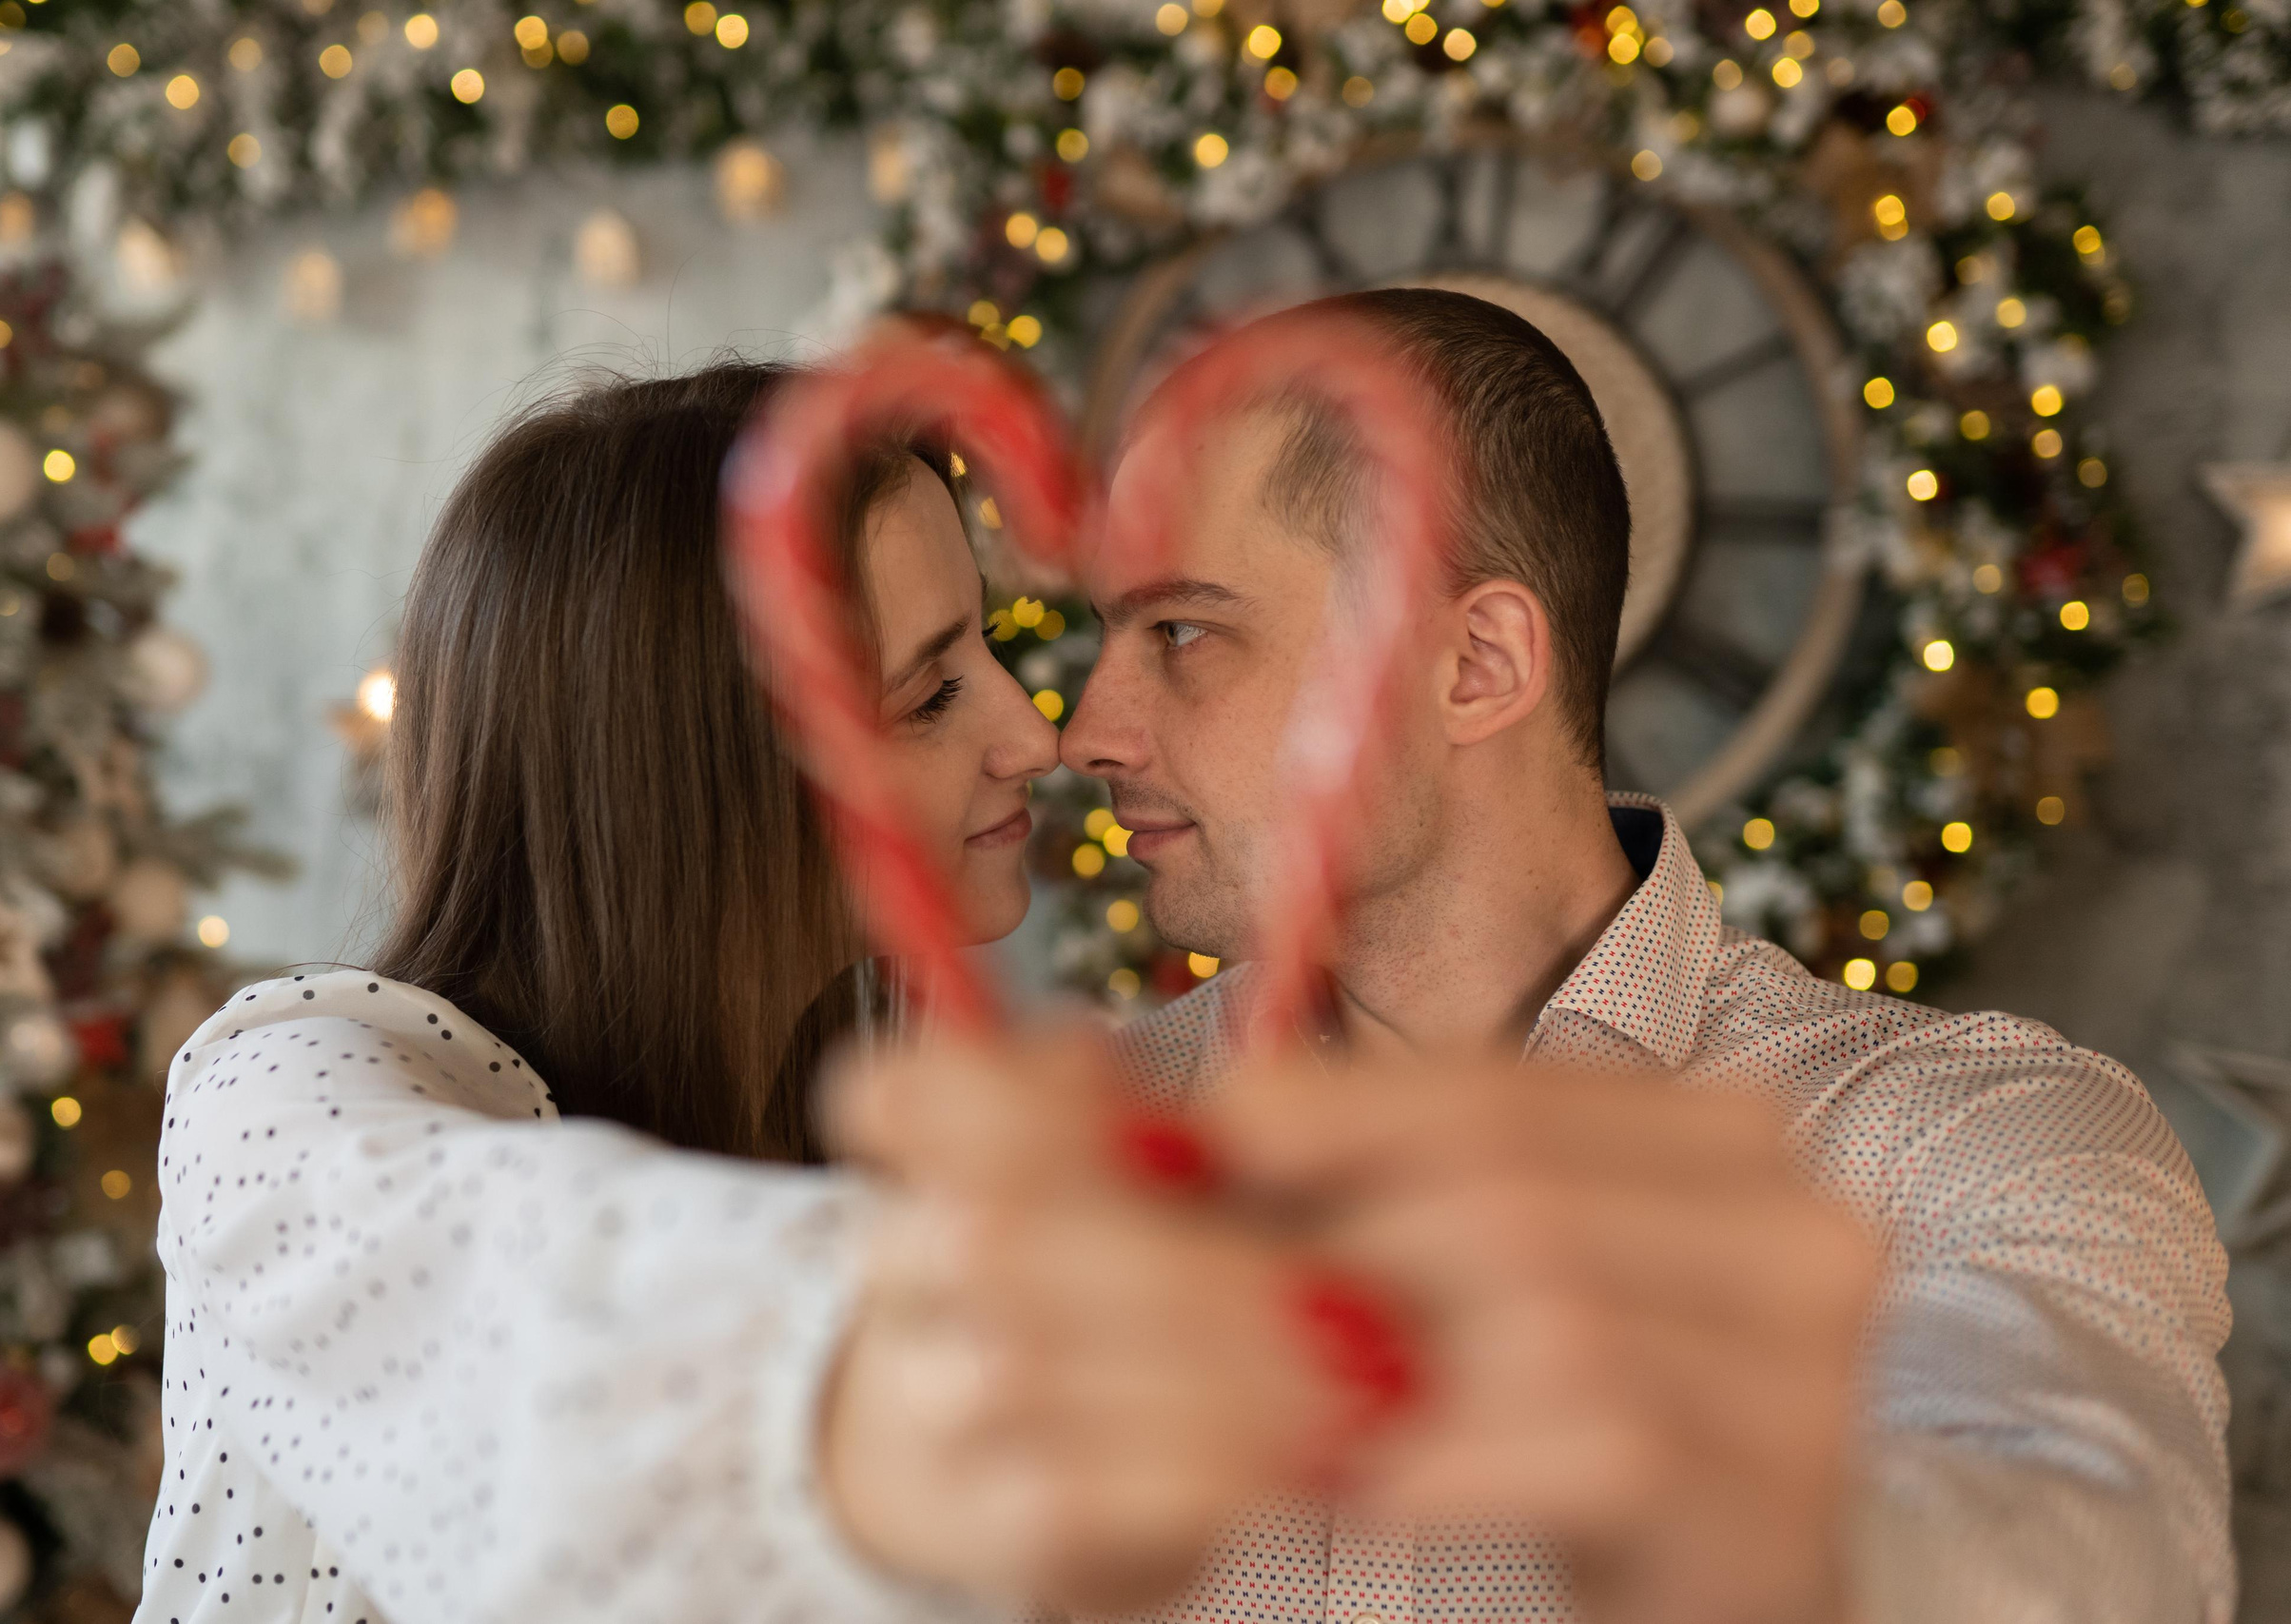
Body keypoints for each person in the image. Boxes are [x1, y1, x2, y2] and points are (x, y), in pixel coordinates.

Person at [825, 289, 2234, 1624]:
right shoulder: (1063, 1170)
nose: (1088, 732)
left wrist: (1806, 1559)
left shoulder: (1972, 1144)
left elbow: (2097, 1533)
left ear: (1477, 663)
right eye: (1102, 638)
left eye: (1185, 632)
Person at [131, 362, 1066, 1624]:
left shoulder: (836, 1130)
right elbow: (484, 1300)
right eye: (935, 691)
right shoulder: (289, 1102)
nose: (1034, 736)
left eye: (991, 653)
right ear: (693, 768)